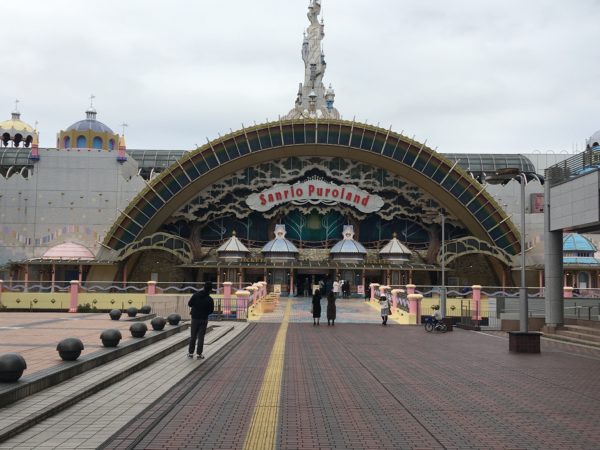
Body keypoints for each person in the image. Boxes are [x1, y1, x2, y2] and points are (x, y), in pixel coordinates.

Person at [187, 281, 215, 359]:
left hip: (195, 318)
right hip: (204, 319)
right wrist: (205, 312)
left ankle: (190, 353)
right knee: (201, 337)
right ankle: (199, 354)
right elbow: (211, 310)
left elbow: (189, 304)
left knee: (193, 336)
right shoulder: (210, 299)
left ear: (203, 287)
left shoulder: (196, 295)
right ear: (210, 290)